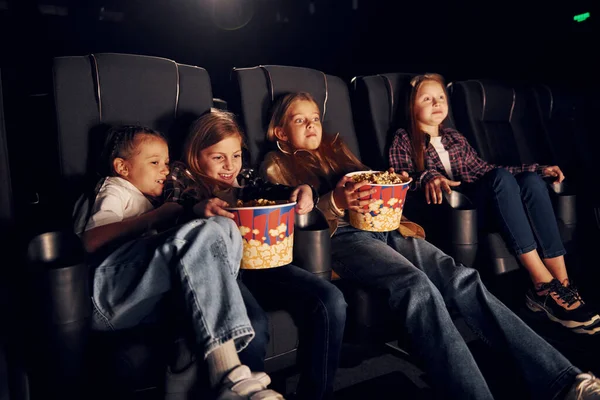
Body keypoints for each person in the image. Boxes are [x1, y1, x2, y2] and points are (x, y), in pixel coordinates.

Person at [260, 91, 600, 399]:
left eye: (315, 118)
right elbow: (286, 220)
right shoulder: (276, 165)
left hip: (388, 226)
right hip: (341, 239)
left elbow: (377, 180)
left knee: (462, 278)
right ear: (280, 132)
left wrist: (384, 188)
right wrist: (332, 200)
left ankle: (564, 380)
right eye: (299, 120)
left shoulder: (336, 149)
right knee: (417, 287)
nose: (311, 125)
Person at [74, 125, 283, 400]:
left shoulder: (149, 200)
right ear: (122, 167)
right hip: (105, 295)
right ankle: (229, 376)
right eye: (154, 162)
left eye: (166, 162)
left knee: (222, 225)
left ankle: (196, 373)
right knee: (200, 233)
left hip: (140, 297)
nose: (164, 169)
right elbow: (89, 242)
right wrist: (155, 218)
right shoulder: (115, 188)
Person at [387, 73, 600, 334]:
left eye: (440, 97)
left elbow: (484, 170)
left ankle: (562, 285)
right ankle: (542, 288)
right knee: (500, 179)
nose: (437, 103)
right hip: (452, 211)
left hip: (479, 200)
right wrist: (427, 176)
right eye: (427, 98)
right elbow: (398, 175)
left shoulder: (455, 138)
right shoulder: (404, 138)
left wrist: (537, 169)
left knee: (531, 181)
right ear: (411, 105)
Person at [163, 109, 347, 400]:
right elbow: (170, 216)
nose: (230, 166)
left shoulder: (244, 179)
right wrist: (195, 210)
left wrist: (302, 191)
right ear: (196, 156)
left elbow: (273, 191)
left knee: (331, 300)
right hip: (215, 274)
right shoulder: (181, 178)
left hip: (260, 264)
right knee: (253, 324)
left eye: (235, 155)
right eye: (218, 157)